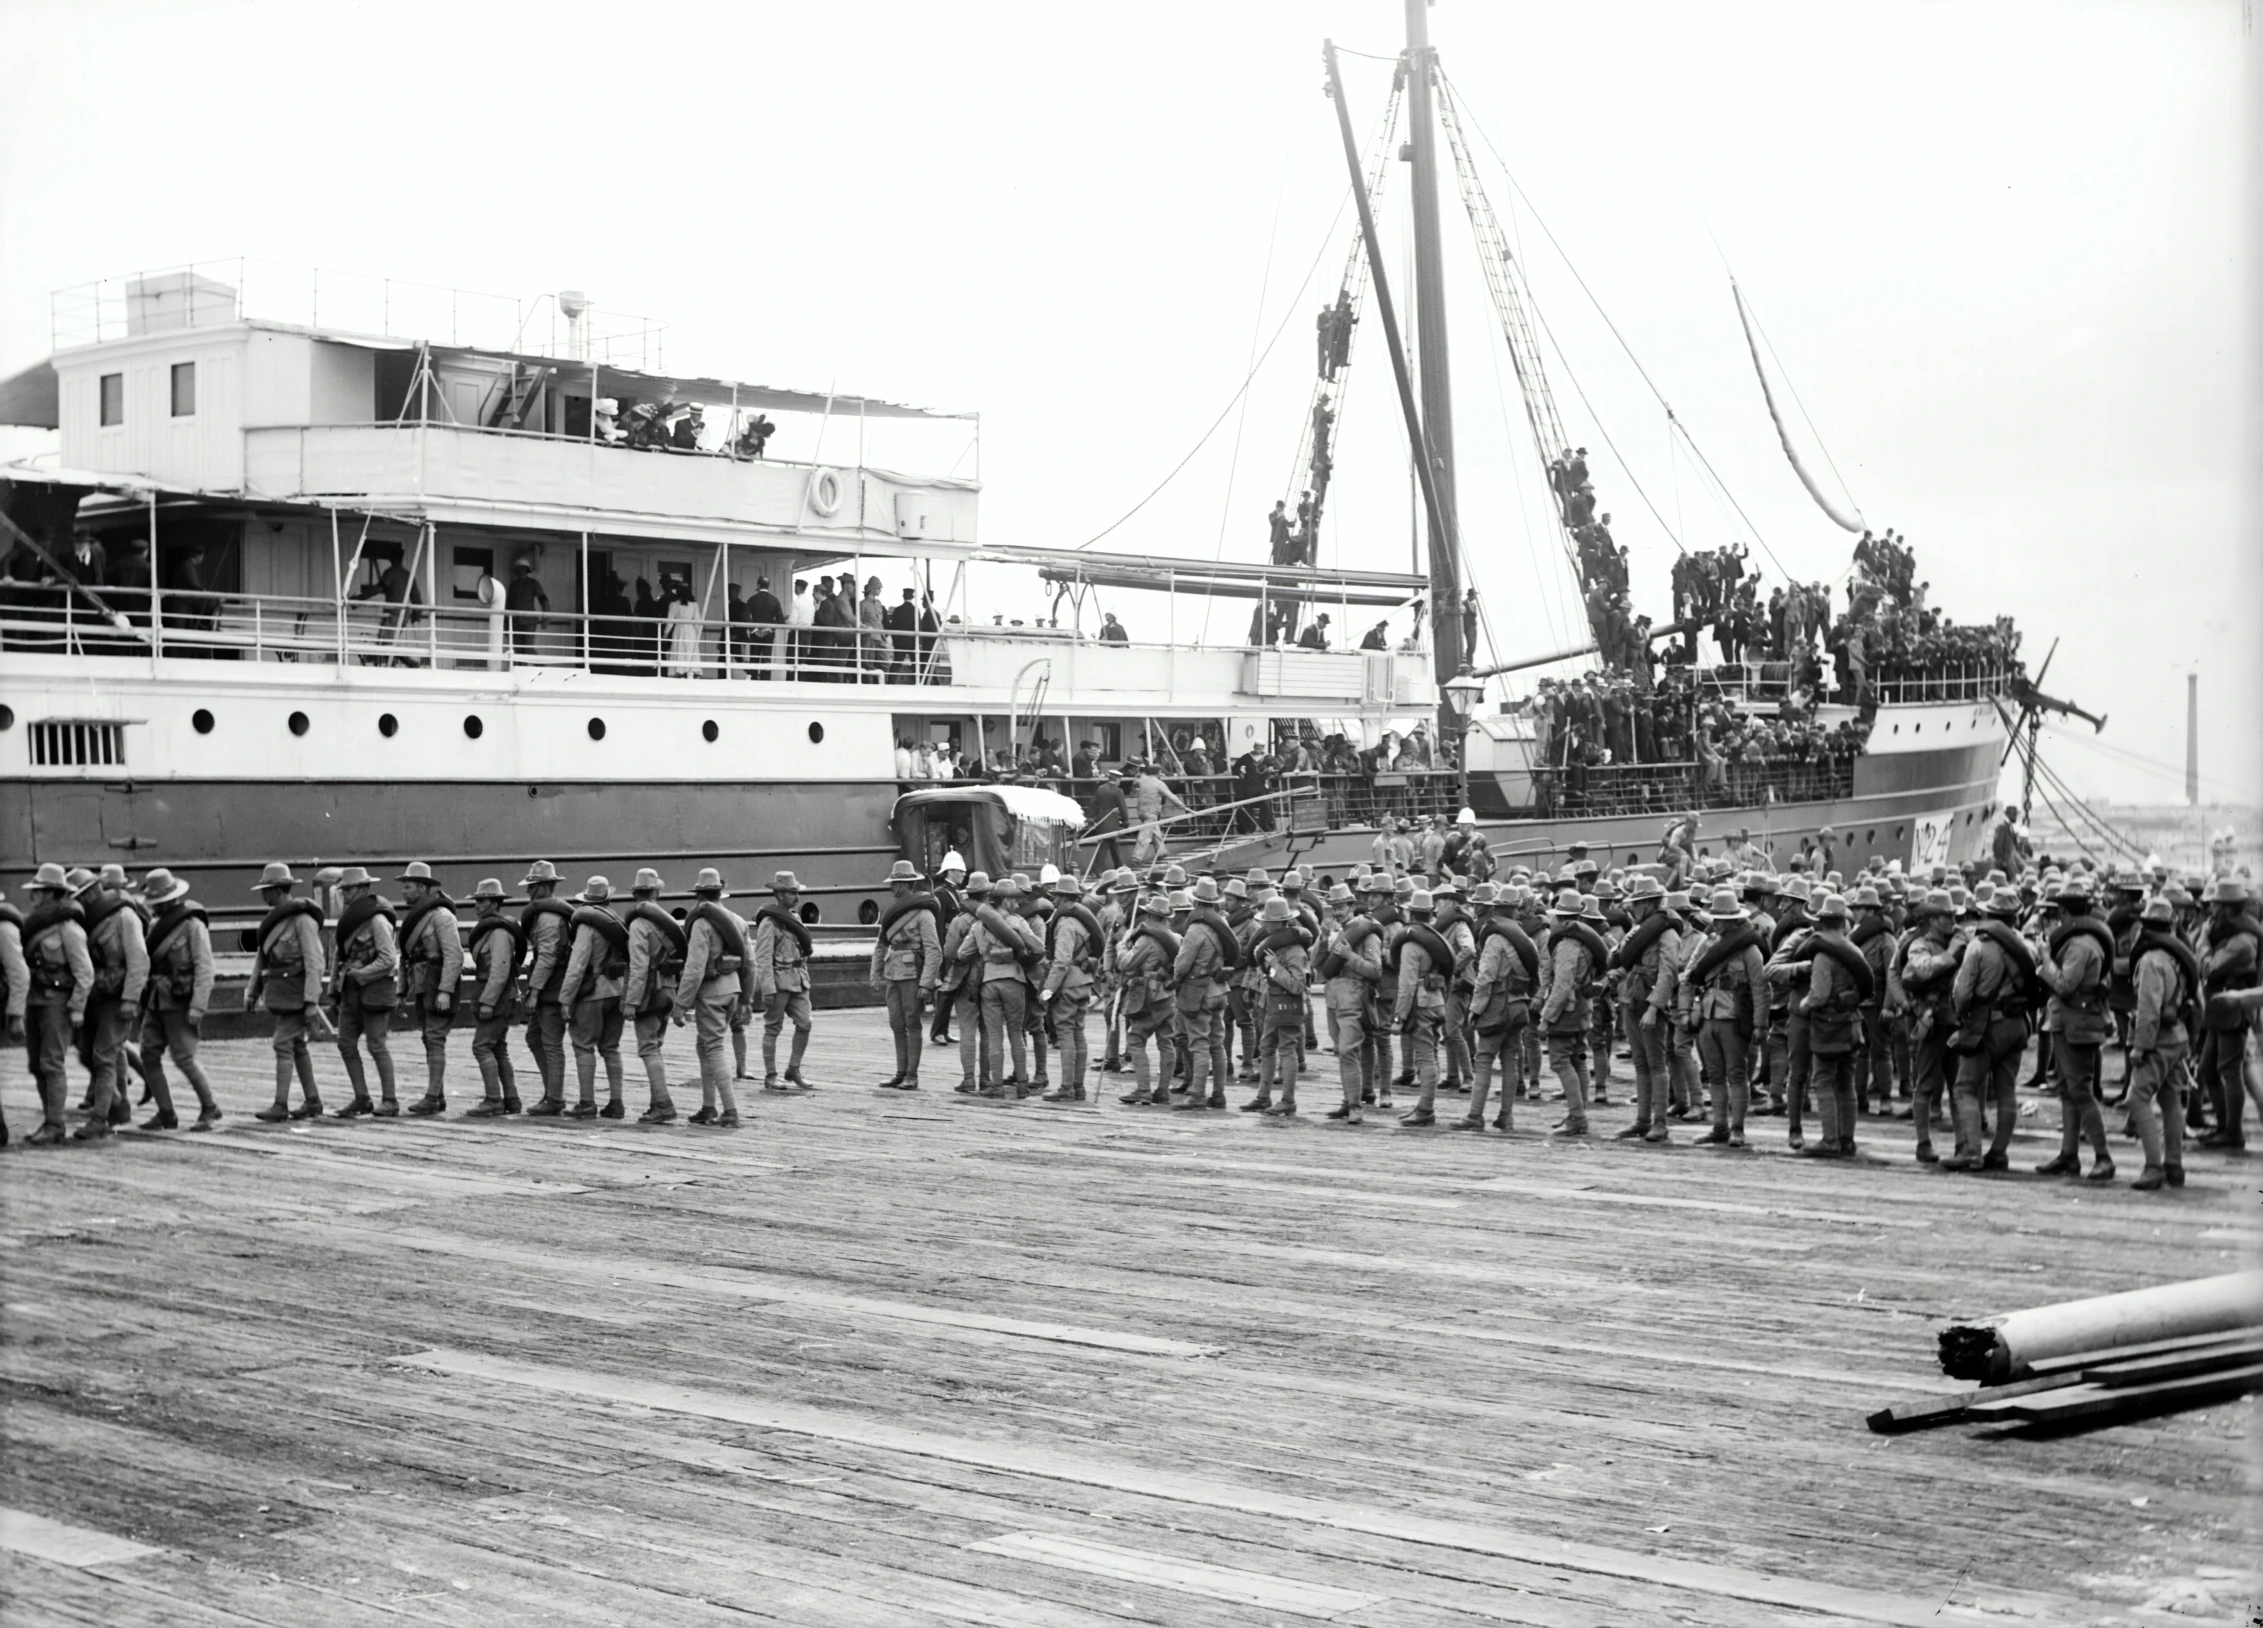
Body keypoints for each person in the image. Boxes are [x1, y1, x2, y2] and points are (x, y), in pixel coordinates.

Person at [1941, 889, 2034, 1171]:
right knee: (2007, 1089)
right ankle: (1999, 1152)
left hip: (1985, 1026)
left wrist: (1962, 1016)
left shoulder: (1979, 946)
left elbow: (1963, 993)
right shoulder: (2025, 947)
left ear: (1989, 914)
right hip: (2017, 1025)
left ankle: (1971, 1152)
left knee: (1965, 1087)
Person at [2032, 873, 2115, 1179]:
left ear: (2065, 913)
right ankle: (2069, 1155)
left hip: (2077, 1025)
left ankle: (2103, 1156)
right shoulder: (2088, 940)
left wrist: (2044, 959)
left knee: (2080, 1090)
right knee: (2069, 1090)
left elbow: (2065, 985)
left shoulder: (2080, 946)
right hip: (2072, 1022)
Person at [134, 868, 221, 1131]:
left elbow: (205, 968)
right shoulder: (154, 926)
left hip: (181, 1002)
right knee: (149, 1053)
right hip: (156, 1001)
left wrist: (198, 1005)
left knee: (184, 1058)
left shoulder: (192, 926)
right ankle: (166, 1112)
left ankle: (210, 1107)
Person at [15, 864, 92, 1146]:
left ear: (52, 893)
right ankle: (49, 1120)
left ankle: (55, 1124)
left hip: (57, 1005)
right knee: (36, 1064)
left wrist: (77, 1008)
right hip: (34, 1001)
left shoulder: (69, 929)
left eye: (38, 890)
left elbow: (85, 972)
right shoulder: (36, 924)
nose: (33, 896)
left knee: (51, 1063)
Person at [247, 862, 327, 1123]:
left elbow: (315, 961)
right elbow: (263, 959)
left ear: (278, 890)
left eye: (266, 890)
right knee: (296, 1046)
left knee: (282, 1043)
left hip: (297, 995)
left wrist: (312, 1001)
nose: (263, 895)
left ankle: (280, 1104)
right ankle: (312, 1100)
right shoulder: (274, 922)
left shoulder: (303, 921)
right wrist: (252, 991)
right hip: (281, 994)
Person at [2125, 893, 2195, 1189]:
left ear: (2145, 926)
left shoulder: (2150, 960)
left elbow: (2148, 1009)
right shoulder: (2178, 956)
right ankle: (2174, 1165)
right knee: (2170, 1100)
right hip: (2178, 1035)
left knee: (2136, 1099)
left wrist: (2140, 1047)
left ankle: (2153, 1166)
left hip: (2158, 1040)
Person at [72, 864, 147, 1139]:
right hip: (96, 997)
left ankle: (99, 1117)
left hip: (117, 998)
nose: (80, 900)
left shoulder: (125, 917)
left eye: (83, 894)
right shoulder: (86, 921)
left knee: (104, 1056)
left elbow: (139, 960)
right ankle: (119, 1106)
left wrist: (130, 999)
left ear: (94, 891)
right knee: (104, 1054)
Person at [673, 868, 748, 1127]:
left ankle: (729, 1110)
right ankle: (708, 1106)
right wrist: (747, 999)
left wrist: (680, 1005)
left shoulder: (702, 924)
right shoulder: (737, 921)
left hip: (711, 992)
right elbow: (749, 963)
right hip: (733, 989)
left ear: (699, 896)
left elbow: (694, 968)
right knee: (705, 1046)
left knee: (713, 1048)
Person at [1796, 891, 1869, 1158]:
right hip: (1852, 1023)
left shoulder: (1823, 955)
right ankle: (1847, 1139)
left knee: (1823, 1081)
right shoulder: (1855, 950)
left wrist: (1803, 1005)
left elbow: (1818, 995)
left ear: (1822, 921)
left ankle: (1829, 1139)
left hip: (1828, 1026)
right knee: (1846, 1083)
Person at [327, 866, 402, 1118]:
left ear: (363, 889)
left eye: (348, 889)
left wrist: (361, 975)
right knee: (345, 1043)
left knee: (376, 1045)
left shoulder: (377, 920)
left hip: (374, 990)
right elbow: (340, 954)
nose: (344, 894)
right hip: (350, 991)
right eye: (343, 889)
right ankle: (361, 1098)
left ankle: (390, 1100)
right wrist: (333, 990)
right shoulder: (350, 918)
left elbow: (388, 959)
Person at [1612, 875, 1681, 1144]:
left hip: (1650, 1006)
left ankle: (1660, 1123)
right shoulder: (1638, 932)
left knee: (1655, 1063)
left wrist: (1654, 1008)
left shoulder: (1668, 935)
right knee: (1640, 1064)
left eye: (1638, 903)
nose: (1632, 908)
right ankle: (1642, 1120)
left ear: (1651, 903)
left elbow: (1668, 974)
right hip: (1631, 1001)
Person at [395, 862, 463, 1117]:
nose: (403, 892)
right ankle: (438, 1096)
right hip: (423, 988)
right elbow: (405, 958)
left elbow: (454, 956)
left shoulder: (442, 917)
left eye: (408, 886)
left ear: (423, 887)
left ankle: (432, 1097)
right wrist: (402, 992)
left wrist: (445, 990)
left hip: (437, 987)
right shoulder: (414, 921)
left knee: (434, 1038)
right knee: (428, 1039)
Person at [558, 875, 629, 1119]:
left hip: (592, 994)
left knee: (583, 1045)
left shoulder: (587, 926)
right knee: (611, 1047)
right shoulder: (617, 921)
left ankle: (587, 1102)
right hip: (617, 990)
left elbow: (577, 966)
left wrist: (566, 999)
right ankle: (616, 1102)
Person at [965, 874, 1041, 1097]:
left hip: (988, 982)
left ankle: (996, 1086)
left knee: (994, 1035)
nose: (1017, 903)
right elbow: (1038, 948)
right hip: (1015, 981)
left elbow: (962, 953)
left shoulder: (979, 925)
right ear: (1007, 901)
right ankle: (1022, 1086)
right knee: (1016, 1033)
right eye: (1015, 899)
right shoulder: (1019, 922)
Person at [621, 868, 685, 1124]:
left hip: (649, 992)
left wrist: (631, 1002)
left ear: (636, 893)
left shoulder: (638, 924)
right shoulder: (666, 922)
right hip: (668, 990)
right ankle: (656, 1103)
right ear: (657, 892)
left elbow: (638, 966)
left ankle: (663, 1104)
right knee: (656, 1047)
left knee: (648, 1049)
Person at [872, 860, 941, 1090]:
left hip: (913, 975)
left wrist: (927, 982)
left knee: (912, 1024)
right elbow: (881, 944)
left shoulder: (924, 914)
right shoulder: (891, 913)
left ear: (903, 884)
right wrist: (876, 972)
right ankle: (900, 1072)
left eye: (895, 883)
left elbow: (934, 950)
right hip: (893, 973)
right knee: (896, 1023)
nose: (892, 887)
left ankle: (912, 1075)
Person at [1539, 888, 1601, 1136]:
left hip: (1566, 1013)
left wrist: (1546, 1018)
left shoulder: (1566, 945)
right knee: (1580, 1059)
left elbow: (1562, 985)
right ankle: (1579, 1113)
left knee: (1561, 1061)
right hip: (1583, 1009)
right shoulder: (1587, 943)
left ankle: (1577, 1117)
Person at [461, 879, 524, 1118]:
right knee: (498, 1048)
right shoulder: (493, 930)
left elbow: (500, 970)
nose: (477, 905)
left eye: (482, 901)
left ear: (496, 902)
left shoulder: (497, 933)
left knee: (481, 1047)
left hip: (496, 998)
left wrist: (488, 1001)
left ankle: (493, 1100)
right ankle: (511, 1099)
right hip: (500, 996)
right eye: (476, 901)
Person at [518, 860, 575, 1116]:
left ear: (544, 887)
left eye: (533, 886)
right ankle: (551, 1092)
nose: (529, 891)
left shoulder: (548, 918)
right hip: (551, 986)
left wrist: (534, 992)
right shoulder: (549, 914)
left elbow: (548, 956)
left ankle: (554, 1098)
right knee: (534, 1038)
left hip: (552, 989)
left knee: (551, 1043)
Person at [752, 871, 815, 1090]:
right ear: (779, 894)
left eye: (797, 892)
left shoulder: (794, 918)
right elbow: (762, 956)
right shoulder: (770, 923)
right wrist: (767, 988)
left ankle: (794, 1069)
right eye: (791, 893)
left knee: (805, 1023)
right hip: (778, 983)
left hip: (798, 981)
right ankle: (771, 1076)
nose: (796, 897)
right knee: (772, 1028)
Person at [1038, 875, 1098, 1102]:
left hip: (1068, 984)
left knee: (1065, 1035)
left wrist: (1048, 989)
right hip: (1084, 981)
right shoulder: (1082, 921)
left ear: (1062, 897)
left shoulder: (1064, 923)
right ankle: (1078, 1086)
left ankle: (1066, 1087)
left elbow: (1061, 961)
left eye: (1056, 896)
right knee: (1078, 1033)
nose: (1054, 901)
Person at [505, 559, 548, 660]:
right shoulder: (513, 585)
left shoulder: (533, 583)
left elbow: (544, 601)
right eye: (518, 569)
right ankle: (521, 671)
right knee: (519, 650)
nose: (520, 571)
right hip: (515, 621)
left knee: (528, 648)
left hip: (529, 621)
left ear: (526, 570)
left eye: (522, 569)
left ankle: (542, 667)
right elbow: (508, 606)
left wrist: (546, 618)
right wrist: (506, 625)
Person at [748, 576, 784, 678]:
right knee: (766, 660)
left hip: (755, 635)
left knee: (754, 660)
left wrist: (754, 630)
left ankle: (753, 683)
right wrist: (769, 628)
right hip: (768, 635)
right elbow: (781, 620)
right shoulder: (774, 600)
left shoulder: (752, 599)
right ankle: (765, 684)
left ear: (758, 585)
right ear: (768, 586)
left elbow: (745, 616)